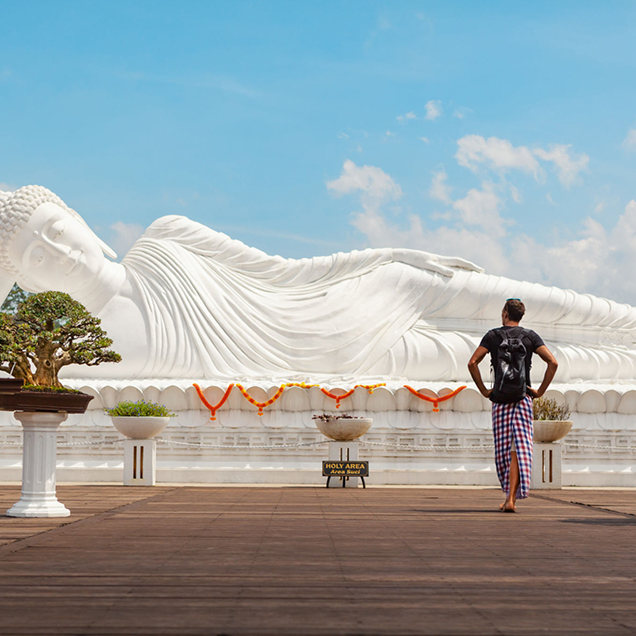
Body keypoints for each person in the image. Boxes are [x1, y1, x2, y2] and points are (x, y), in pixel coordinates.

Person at [0, 184, 633, 383]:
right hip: (340, 357)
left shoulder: (167, 234)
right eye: (38, 256)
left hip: (342, 298)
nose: (62, 251)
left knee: (543, 306)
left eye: (58, 228)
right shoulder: (83, 355)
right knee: (571, 361)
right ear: (26, 281)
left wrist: (384, 253)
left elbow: (286, 271)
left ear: (80, 218)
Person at [468, 299, 558, 512]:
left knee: (504, 449)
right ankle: (511, 499)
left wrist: (483, 389)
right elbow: (553, 362)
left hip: (499, 400)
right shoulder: (530, 336)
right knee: (520, 448)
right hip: (522, 399)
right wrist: (540, 391)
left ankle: (508, 496)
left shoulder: (492, 336)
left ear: (505, 313)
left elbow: (472, 363)